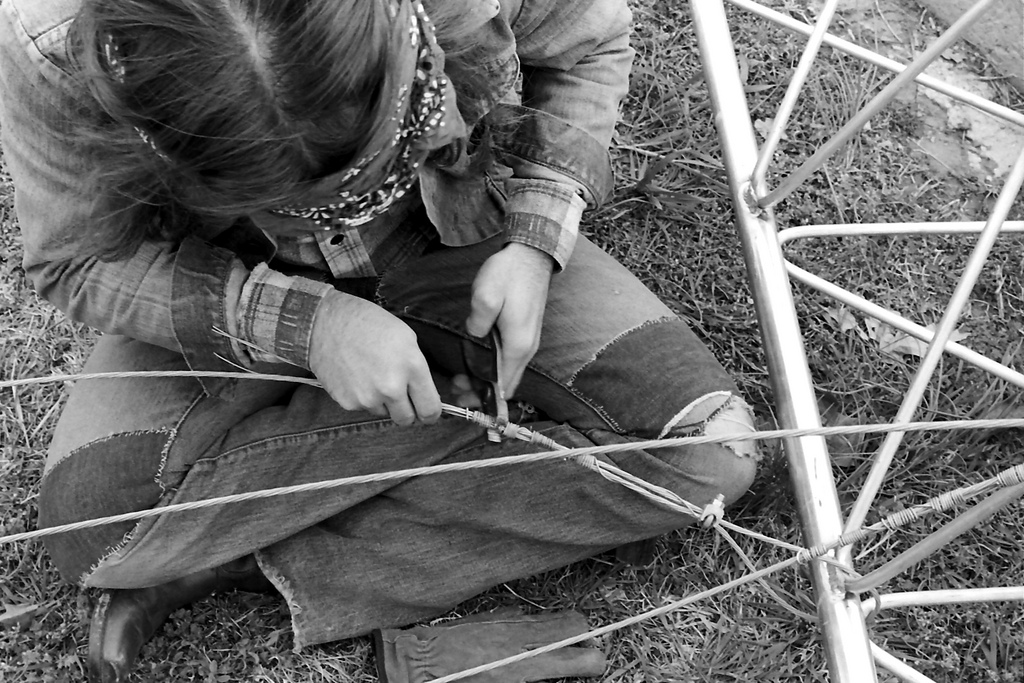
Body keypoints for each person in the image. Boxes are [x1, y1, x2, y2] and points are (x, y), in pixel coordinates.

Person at [0, 0, 760, 680]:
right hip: (235, 276)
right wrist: (309, 322)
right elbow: (79, 259)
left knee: (704, 450)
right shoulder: (49, 38)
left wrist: (534, 240)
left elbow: (590, 44)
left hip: (461, 233)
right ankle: (464, 415)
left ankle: (237, 559)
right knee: (92, 530)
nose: (334, 220)